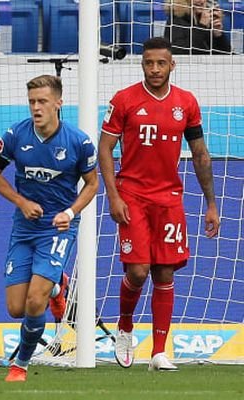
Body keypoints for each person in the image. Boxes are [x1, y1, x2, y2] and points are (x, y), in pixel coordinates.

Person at [99, 37, 220, 371]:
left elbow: (200, 154)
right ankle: (125, 327)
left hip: (168, 199)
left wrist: (211, 203)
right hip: (132, 196)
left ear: (172, 65)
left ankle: (159, 352)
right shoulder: (124, 100)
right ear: (142, 64)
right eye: (149, 63)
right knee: (138, 271)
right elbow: (105, 149)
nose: (155, 69)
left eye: (161, 63)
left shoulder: (186, 103)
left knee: (164, 271)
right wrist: (113, 196)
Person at [0, 75, 98, 382]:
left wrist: (70, 212)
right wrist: (21, 202)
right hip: (25, 227)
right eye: (32, 102)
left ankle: (20, 365)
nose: (36, 108)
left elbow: (92, 184)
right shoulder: (15, 135)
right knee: (16, 308)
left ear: (58, 103)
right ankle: (58, 286)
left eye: (42, 101)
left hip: (58, 228)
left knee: (36, 300)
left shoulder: (79, 142)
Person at [164, 0, 232, 55]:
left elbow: (226, 55)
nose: (201, 1)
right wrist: (202, 26)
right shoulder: (175, 21)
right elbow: (179, 51)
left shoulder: (207, 19)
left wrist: (218, 35)